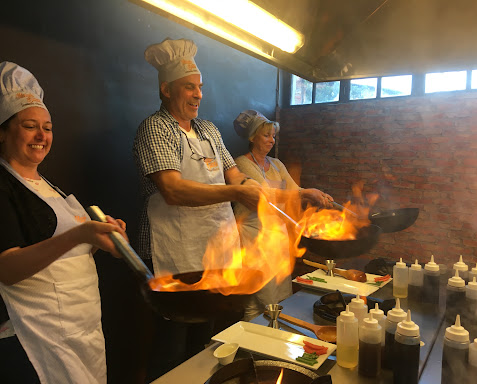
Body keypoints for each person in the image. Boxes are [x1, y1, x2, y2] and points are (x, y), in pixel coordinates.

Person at [132, 38, 262, 380]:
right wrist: (236, 191)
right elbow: (173, 190)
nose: (198, 95)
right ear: (166, 90)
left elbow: (236, 177)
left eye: (200, 87)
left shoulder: (210, 131)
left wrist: (266, 193)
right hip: (172, 255)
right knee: (172, 345)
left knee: (206, 341)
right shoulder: (155, 128)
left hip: (213, 252)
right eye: (189, 87)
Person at [0, 61, 128, 384]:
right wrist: (81, 233)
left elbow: (68, 258)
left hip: (81, 331)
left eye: (48, 127)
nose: (42, 135)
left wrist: (101, 239)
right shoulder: (3, 185)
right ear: (2, 132)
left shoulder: (49, 185)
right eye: (30, 126)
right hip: (35, 339)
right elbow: (7, 269)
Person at [232, 109, 334, 320]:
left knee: (279, 296)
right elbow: (264, 195)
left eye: (273, 135)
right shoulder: (241, 164)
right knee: (256, 298)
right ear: (252, 137)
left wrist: (316, 196)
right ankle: (252, 344)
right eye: (266, 135)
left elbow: (295, 191)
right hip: (252, 236)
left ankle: (273, 339)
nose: (272, 140)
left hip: (276, 236)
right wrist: (305, 193)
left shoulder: (277, 165)